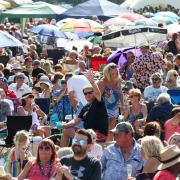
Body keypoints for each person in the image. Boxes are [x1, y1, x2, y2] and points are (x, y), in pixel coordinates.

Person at [61, 70, 108, 147]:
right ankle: (62, 154)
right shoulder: (85, 107)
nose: (87, 95)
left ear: (93, 93)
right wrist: (64, 125)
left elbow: (98, 93)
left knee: (78, 136)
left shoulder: (98, 102)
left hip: (98, 135)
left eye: (90, 93)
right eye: (85, 93)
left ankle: (74, 152)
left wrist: (92, 82)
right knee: (66, 130)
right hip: (88, 134)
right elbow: (76, 121)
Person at [98, 63, 124, 141]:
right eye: (112, 73)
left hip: (115, 106)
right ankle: (104, 143)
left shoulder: (118, 79)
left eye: (116, 72)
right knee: (105, 128)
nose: (115, 75)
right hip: (104, 108)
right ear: (107, 73)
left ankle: (109, 143)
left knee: (112, 128)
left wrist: (122, 105)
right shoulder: (102, 82)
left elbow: (120, 92)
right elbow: (98, 97)